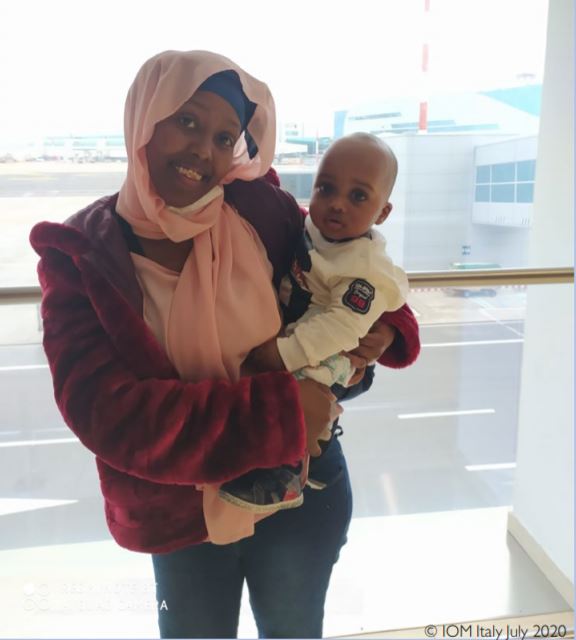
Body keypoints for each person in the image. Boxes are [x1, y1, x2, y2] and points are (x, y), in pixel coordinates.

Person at [30, 50, 420, 639]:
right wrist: (282, 411)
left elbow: (351, 270)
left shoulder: (256, 209)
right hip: (183, 512)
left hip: (303, 488)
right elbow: (110, 415)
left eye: (223, 136)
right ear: (145, 119)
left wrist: (388, 329)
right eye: (187, 121)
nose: (203, 150)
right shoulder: (85, 252)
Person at [219, 133, 409, 512]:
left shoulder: (365, 268)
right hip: (304, 330)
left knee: (297, 394)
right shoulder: (316, 231)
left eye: (358, 196)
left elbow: (341, 326)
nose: (337, 204)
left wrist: (284, 353)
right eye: (326, 188)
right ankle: (311, 459)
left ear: (383, 213)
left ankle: (284, 475)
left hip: (327, 350)